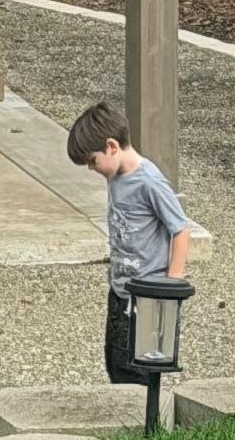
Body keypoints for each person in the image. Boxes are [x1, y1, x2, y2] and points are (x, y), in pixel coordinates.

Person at [66, 98, 190, 383]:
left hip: (149, 294)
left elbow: (180, 231)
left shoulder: (149, 182)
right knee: (116, 361)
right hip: (121, 289)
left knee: (142, 370)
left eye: (92, 162)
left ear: (111, 146)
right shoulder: (116, 175)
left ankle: (147, 423)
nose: (91, 169)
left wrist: (170, 288)